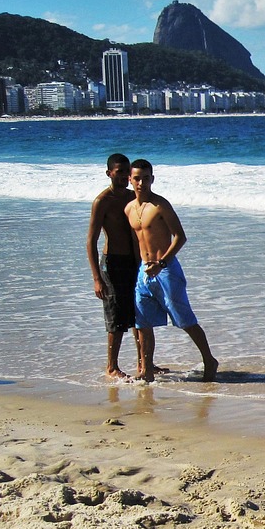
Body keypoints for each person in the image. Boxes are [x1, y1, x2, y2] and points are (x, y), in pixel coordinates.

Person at [127, 159, 218, 383]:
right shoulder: (129, 208)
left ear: (152, 179)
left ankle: (209, 360)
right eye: (137, 178)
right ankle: (146, 371)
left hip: (166, 270)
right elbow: (135, 242)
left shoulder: (160, 205)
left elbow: (180, 237)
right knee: (142, 323)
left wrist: (162, 263)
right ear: (130, 179)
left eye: (145, 178)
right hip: (143, 272)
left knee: (184, 320)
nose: (141, 183)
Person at [86, 152, 141, 379]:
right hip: (112, 262)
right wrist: (97, 278)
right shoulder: (103, 201)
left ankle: (144, 363)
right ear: (109, 173)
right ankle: (112, 367)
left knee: (140, 314)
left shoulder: (132, 196)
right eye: (119, 172)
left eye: (126, 172)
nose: (123, 176)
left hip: (134, 262)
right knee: (116, 316)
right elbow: (91, 240)